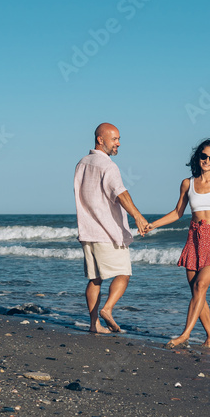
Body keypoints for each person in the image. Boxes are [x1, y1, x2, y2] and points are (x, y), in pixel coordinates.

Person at [147, 139, 210, 348]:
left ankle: (185, 334)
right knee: (196, 291)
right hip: (194, 239)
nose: (207, 161)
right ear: (198, 157)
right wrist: (153, 225)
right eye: (204, 156)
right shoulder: (187, 183)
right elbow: (177, 212)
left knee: (201, 285)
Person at [74, 123, 148, 334]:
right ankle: (107, 309)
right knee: (124, 273)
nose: (118, 143)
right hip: (107, 232)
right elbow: (120, 193)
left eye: (118, 139)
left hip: (87, 231)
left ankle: (94, 323)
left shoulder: (82, 163)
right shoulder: (107, 166)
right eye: (114, 139)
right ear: (100, 139)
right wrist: (138, 216)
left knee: (95, 279)